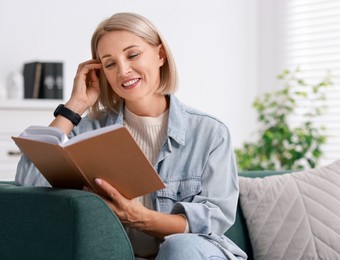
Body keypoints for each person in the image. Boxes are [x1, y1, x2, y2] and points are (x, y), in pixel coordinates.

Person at [15, 12, 247, 260]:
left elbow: (214, 221)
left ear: (160, 55)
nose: (123, 70)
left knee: (179, 247)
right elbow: (28, 186)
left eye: (133, 55)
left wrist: (140, 217)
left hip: (194, 255)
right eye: (110, 64)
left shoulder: (210, 133)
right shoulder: (88, 130)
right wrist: (74, 106)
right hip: (119, 255)